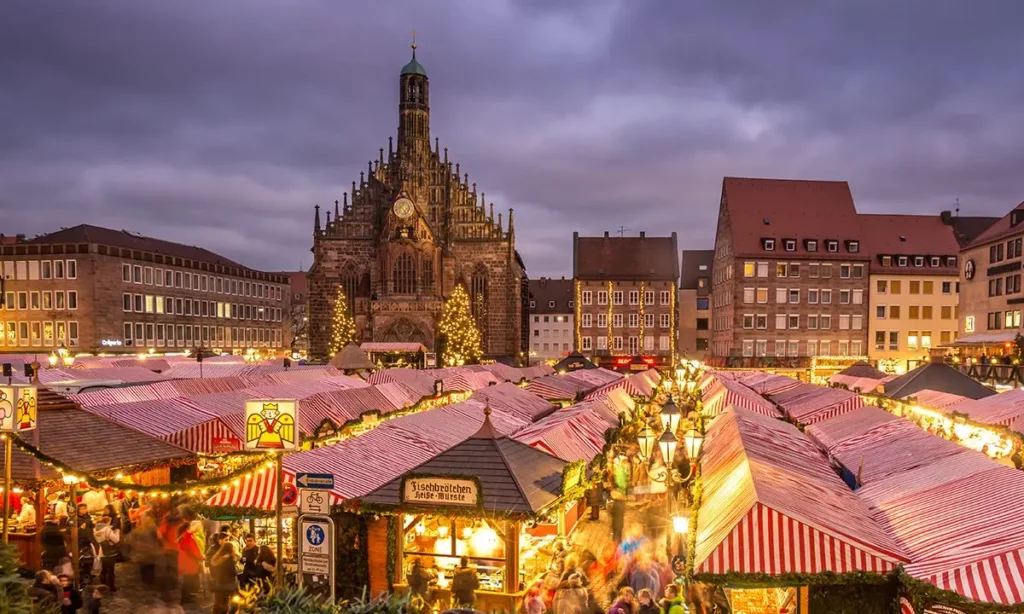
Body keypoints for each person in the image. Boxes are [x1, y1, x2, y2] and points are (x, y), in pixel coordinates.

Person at [209, 534, 240, 614]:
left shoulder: (218, 556)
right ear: (220, 540)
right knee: (230, 604)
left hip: (221, 584)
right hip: (227, 584)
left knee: (220, 604)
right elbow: (232, 571)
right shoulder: (226, 557)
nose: (228, 541)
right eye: (226, 539)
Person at [178, 520, 205, 606]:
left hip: (182, 561)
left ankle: (185, 597)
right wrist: (202, 557)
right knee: (190, 581)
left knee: (186, 581)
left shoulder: (183, 535)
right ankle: (187, 598)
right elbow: (194, 550)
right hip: (189, 563)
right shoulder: (189, 537)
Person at [93, 515, 120, 592]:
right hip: (110, 552)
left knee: (103, 570)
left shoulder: (95, 529)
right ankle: (111, 587)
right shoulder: (107, 530)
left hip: (101, 552)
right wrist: (117, 532)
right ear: (107, 522)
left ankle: (103, 586)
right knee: (111, 571)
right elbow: (116, 540)